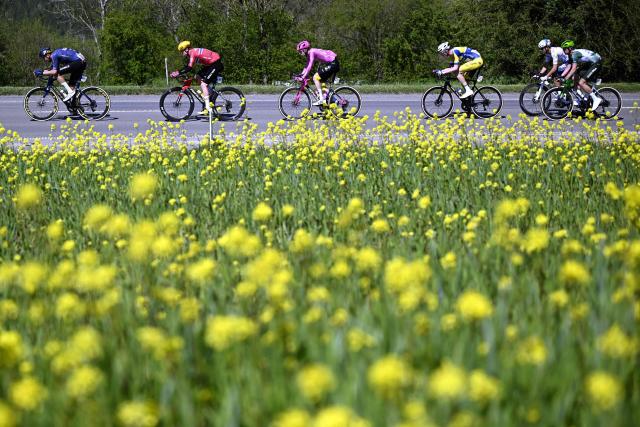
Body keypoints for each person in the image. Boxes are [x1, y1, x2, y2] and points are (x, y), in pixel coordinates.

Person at [170, 41, 224, 115]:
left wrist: (178, 73)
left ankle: (208, 108)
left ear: (186, 49)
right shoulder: (192, 53)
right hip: (210, 65)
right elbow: (188, 66)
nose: (181, 53)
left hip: (216, 64)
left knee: (203, 84)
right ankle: (208, 94)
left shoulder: (192, 53)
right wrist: (179, 72)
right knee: (197, 76)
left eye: (182, 51)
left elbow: (189, 68)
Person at [560, 40, 602, 111]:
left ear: (570, 48)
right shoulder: (571, 55)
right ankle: (582, 97)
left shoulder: (574, 54)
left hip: (596, 62)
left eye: (565, 49)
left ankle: (596, 99)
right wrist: (562, 76)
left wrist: (566, 78)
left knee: (581, 82)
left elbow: (573, 69)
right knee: (574, 77)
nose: (564, 50)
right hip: (590, 63)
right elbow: (569, 67)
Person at [296, 40, 340, 106]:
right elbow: (306, 66)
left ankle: (321, 100)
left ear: (305, 49)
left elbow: (310, 65)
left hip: (333, 63)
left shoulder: (311, 52)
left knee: (315, 77)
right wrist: (301, 75)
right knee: (319, 88)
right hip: (331, 63)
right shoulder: (309, 54)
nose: (300, 53)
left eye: (300, 51)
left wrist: (303, 76)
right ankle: (333, 100)